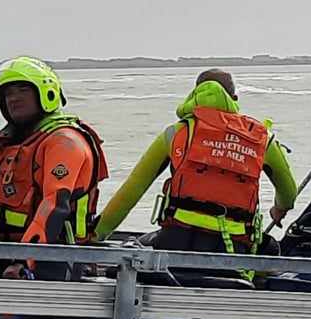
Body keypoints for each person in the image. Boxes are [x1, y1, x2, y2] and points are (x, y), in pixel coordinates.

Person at [92, 68, 297, 258]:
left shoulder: (176, 133)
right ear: (234, 99)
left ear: (194, 95)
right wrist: (279, 209)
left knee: (136, 245)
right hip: (233, 249)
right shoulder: (262, 139)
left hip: (174, 241)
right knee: (270, 249)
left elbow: (131, 192)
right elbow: (289, 192)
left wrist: (95, 237)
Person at [0, 56, 107, 279]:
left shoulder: (63, 142)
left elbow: (53, 206)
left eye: (23, 89)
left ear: (47, 93)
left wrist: (25, 259)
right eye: (7, 93)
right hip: (11, 257)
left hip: (52, 261)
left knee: (37, 315)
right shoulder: (14, 145)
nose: (13, 98)